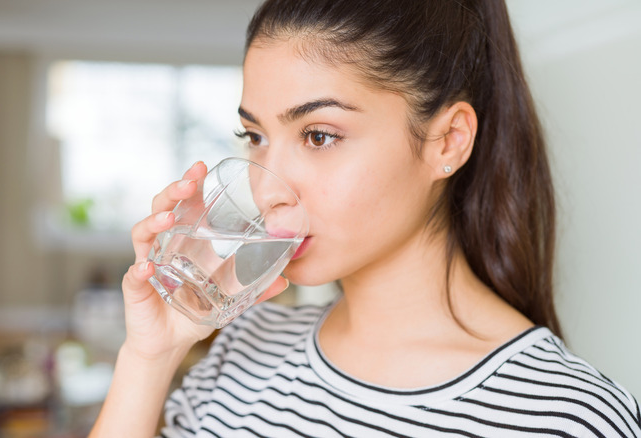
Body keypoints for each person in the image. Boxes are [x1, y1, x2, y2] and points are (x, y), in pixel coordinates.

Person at [90, 0, 641, 436]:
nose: (265, 189)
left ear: (446, 141)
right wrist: (150, 357)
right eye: (254, 137)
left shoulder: (565, 417)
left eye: (319, 136)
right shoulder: (246, 345)